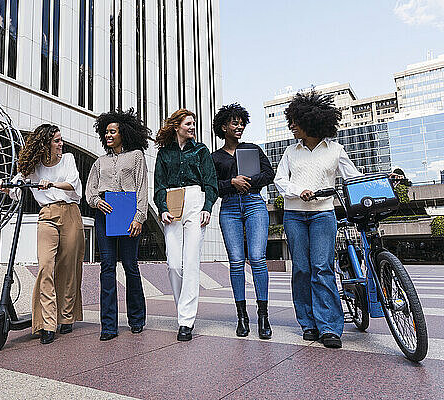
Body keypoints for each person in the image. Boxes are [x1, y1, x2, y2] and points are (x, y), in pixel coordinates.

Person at [274, 91, 362, 349]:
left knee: (322, 267)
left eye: (295, 122)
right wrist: (296, 191)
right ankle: (308, 323)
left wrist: (379, 180)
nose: (291, 126)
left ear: (310, 122)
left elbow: (352, 177)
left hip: (323, 213)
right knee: (301, 269)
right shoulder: (291, 152)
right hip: (294, 215)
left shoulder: (335, 150)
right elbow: (280, 180)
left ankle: (330, 327)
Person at [0, 124, 84, 345]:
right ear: (45, 144)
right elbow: (16, 187)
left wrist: (51, 183)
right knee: (45, 266)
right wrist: (1, 185)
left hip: (70, 213)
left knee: (68, 268)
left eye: (61, 140)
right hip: (47, 215)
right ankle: (47, 323)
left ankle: (66, 316)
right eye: (56, 141)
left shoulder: (68, 159)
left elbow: (72, 184)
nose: (61, 144)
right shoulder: (33, 167)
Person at [85, 109, 150, 341]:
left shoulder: (136, 156)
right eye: (106, 132)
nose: (108, 135)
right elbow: (90, 190)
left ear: (124, 132)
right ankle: (109, 326)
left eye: (113, 131)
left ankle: (136, 319)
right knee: (107, 269)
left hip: (128, 213)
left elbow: (142, 188)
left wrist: (139, 217)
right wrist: (96, 201)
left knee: (131, 267)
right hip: (105, 215)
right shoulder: (99, 161)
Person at [153, 108, 218, 341]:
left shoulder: (201, 150)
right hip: (172, 203)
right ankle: (183, 308)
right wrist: (162, 208)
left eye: (194, 123)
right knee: (174, 264)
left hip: (195, 202)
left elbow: (211, 183)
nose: (192, 127)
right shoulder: (164, 153)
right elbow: (158, 186)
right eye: (188, 124)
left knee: (190, 263)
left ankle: (185, 321)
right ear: (177, 126)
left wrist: (207, 207)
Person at [211, 103, 275, 339]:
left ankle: (263, 316)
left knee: (258, 259)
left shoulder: (253, 149)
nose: (239, 126)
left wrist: (248, 180)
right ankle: (242, 316)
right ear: (223, 126)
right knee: (236, 261)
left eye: (241, 123)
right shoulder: (214, 157)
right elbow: (211, 187)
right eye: (234, 123)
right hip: (228, 208)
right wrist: (231, 183)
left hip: (254, 204)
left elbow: (270, 174)